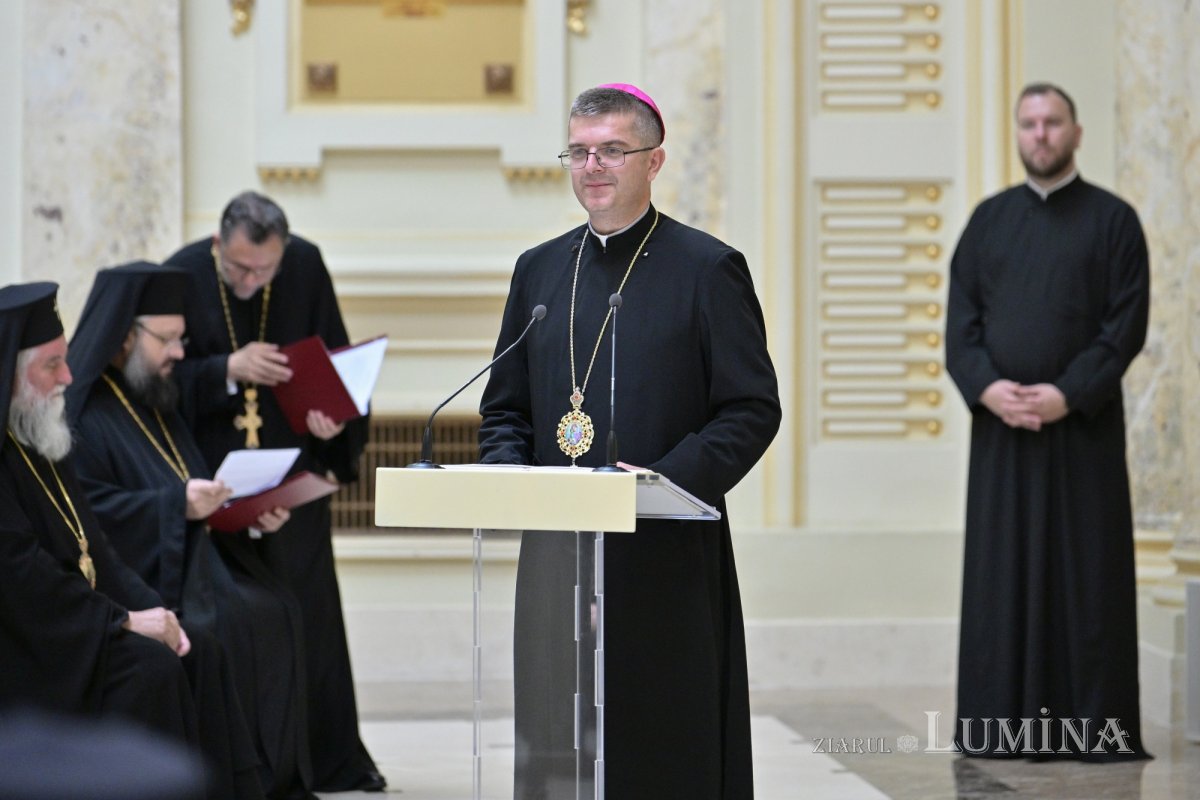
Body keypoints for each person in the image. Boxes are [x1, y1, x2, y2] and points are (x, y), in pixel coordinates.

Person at [478, 84, 780, 798]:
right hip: (556, 552)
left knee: (661, 737)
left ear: (654, 160)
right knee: (557, 740)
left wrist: (661, 485)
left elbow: (750, 408)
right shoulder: (539, 270)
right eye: (579, 151)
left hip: (663, 551)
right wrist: (510, 476)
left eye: (613, 150)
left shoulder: (708, 269)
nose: (593, 166)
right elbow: (505, 411)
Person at [945, 82, 1151, 760]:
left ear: (1076, 132)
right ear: (1017, 133)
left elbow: (1124, 328)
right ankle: (998, 729)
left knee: (1088, 581)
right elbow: (960, 328)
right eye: (1029, 123)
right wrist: (988, 388)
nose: (1040, 134)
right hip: (1002, 434)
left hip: (1084, 431)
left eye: (1052, 122)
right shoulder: (988, 221)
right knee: (1002, 583)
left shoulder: (1115, 222)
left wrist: (1069, 392)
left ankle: (1094, 732)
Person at [0, 282, 263, 799]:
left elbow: (96, 549)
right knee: (151, 669)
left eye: (66, 361)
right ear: (8, 371)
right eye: (52, 365)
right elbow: (22, 577)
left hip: (74, 623)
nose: (68, 377)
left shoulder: (40, 435)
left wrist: (155, 611)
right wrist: (121, 621)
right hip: (29, 645)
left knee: (199, 649)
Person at [65, 263, 316, 799]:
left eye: (182, 339)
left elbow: (194, 486)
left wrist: (246, 515)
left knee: (279, 607)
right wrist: (175, 504)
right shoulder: (83, 416)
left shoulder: (153, 399)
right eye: (169, 339)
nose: (180, 353)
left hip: (196, 560)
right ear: (125, 336)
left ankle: (273, 780)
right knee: (236, 619)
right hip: (145, 578)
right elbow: (89, 515)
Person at [166, 192, 385, 792]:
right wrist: (226, 368)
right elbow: (156, 383)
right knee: (235, 621)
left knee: (307, 616)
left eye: (265, 270)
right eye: (240, 268)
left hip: (289, 479)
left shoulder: (305, 266)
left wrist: (334, 422)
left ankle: (319, 760)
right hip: (213, 481)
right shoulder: (182, 273)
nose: (252, 281)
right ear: (219, 244)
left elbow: (338, 365)